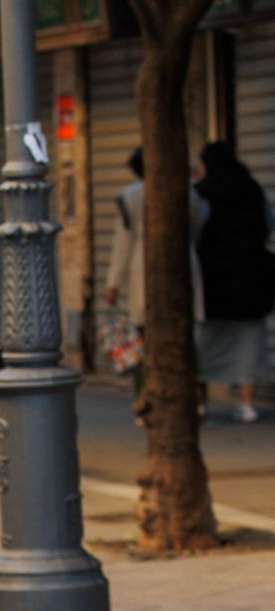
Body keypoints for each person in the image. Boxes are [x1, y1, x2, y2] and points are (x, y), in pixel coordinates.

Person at [104, 148, 208, 414]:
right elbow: (201, 220)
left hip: (143, 267)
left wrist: (113, 283)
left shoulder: (129, 195)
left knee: (144, 340)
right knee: (187, 338)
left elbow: (122, 243)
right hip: (185, 262)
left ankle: (146, 398)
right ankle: (197, 397)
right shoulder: (188, 191)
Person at [193, 140, 273, 424]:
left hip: (211, 282)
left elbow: (193, 231)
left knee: (201, 344)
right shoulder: (252, 189)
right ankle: (246, 403)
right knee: (249, 344)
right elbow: (268, 225)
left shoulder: (201, 192)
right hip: (250, 278)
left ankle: (199, 401)